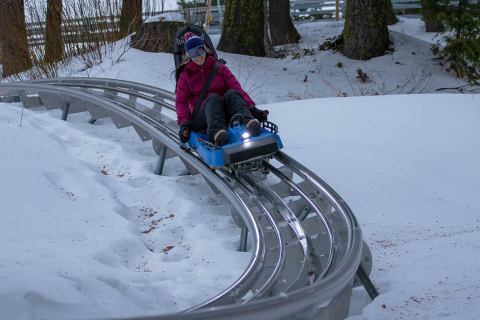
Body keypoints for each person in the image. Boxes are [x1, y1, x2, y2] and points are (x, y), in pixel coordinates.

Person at [175, 33, 263, 146]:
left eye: (200, 50)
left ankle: (248, 122)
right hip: (203, 117)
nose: (198, 56)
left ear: (205, 49)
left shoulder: (219, 68)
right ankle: (217, 133)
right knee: (212, 98)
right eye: (193, 53)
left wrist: (251, 107)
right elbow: (181, 102)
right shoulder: (186, 75)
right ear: (188, 55)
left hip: (225, 112)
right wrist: (184, 123)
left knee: (232, 93)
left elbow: (236, 88)